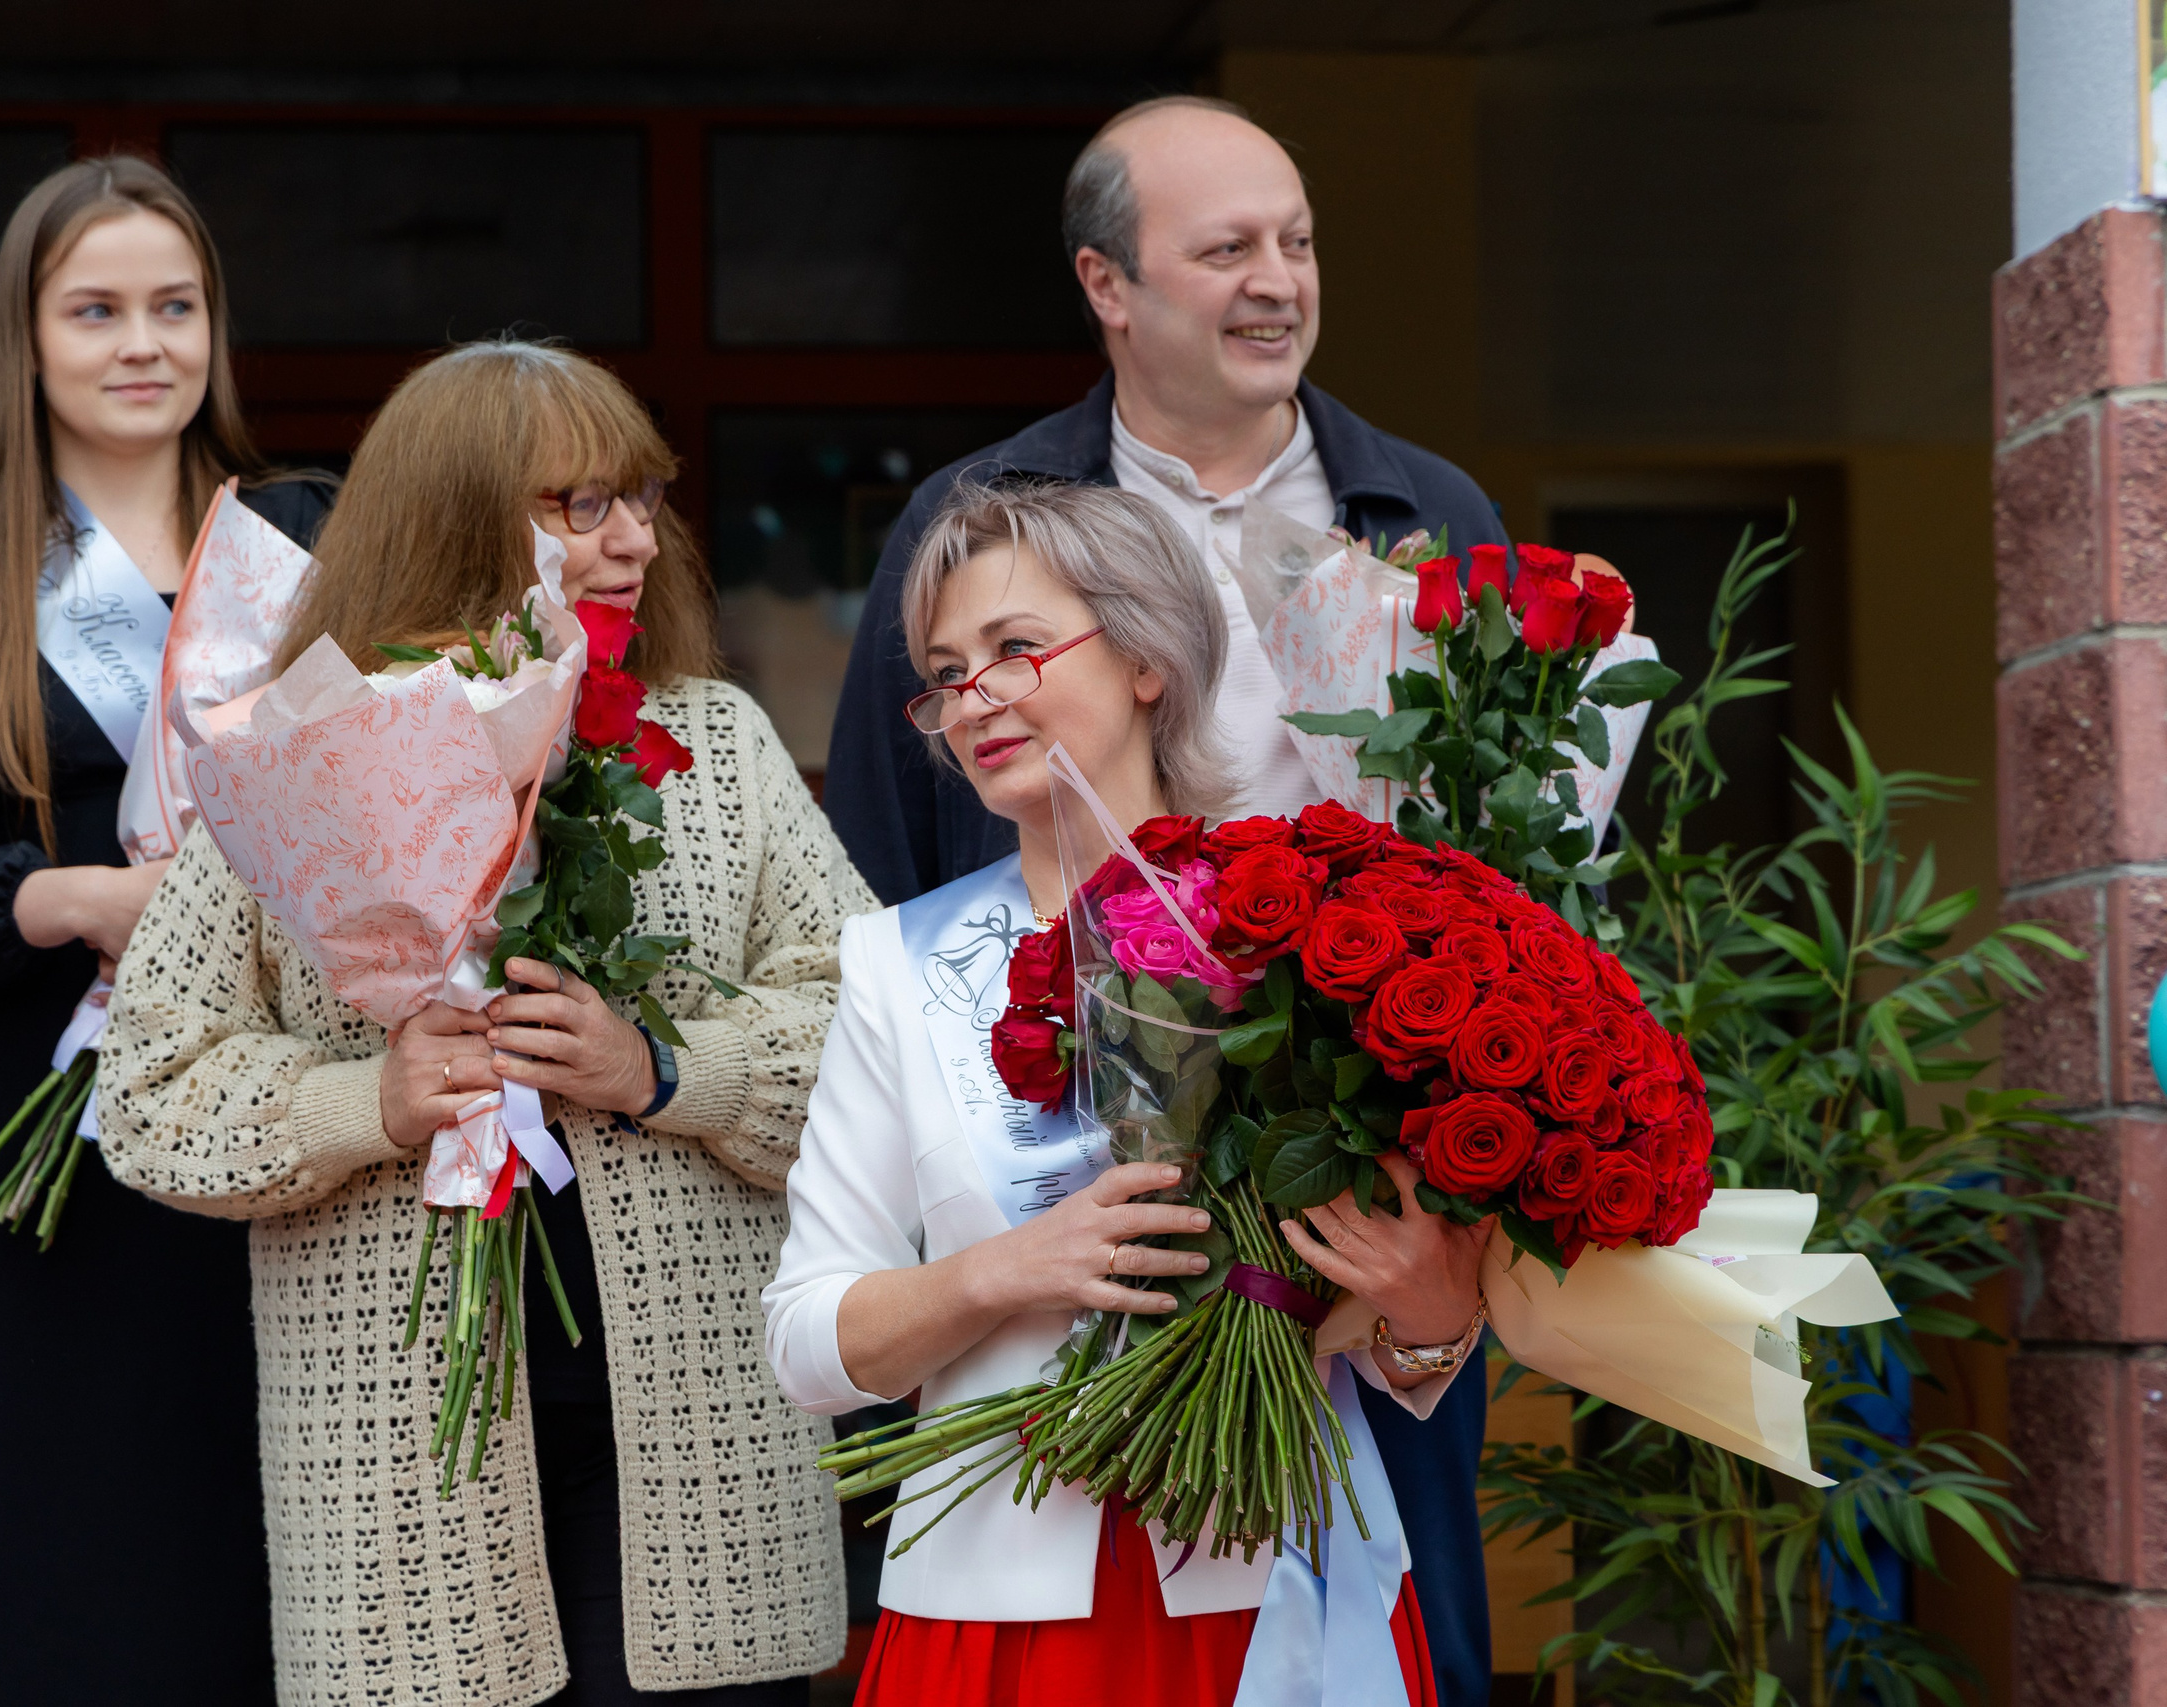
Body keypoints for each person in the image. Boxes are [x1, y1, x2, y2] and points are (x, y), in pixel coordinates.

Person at [822, 96, 1506, 1701]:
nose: (1278, 281)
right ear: (1108, 285)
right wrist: (1007, 1117)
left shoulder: (1430, 517)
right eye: (1227, 250)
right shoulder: (972, 528)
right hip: (1062, 1188)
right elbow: (894, 845)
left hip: (1366, 1206)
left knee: (1390, 1613)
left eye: (1298, 242)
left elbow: (1506, 892)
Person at [92, 338, 875, 1707]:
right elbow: (149, 1090)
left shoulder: (719, 740)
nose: (633, 534)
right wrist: (370, 1104)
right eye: (581, 503)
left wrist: (669, 1069)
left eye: (640, 495)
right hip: (405, 1477)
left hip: (703, 1456)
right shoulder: (298, 751)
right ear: (456, 517)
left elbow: (873, 1044)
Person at [767, 480, 1490, 1707]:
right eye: (945, 674)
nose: (972, 699)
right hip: (1000, 1619)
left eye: (1014, 649)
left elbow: (1403, 1344)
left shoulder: (1316, 922)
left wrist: (1427, 1308)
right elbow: (806, 1343)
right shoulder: (894, 964)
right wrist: (1010, 1269)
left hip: (1283, 1588)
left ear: (1148, 657)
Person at [0, 156, 332, 1706]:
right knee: (27, 1533)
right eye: (96, 308)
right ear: (26, 337)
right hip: (40, 1107)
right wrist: (78, 899)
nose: (142, 343)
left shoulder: (301, 533)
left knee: (240, 1524)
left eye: (174, 307)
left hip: (273, 1110)